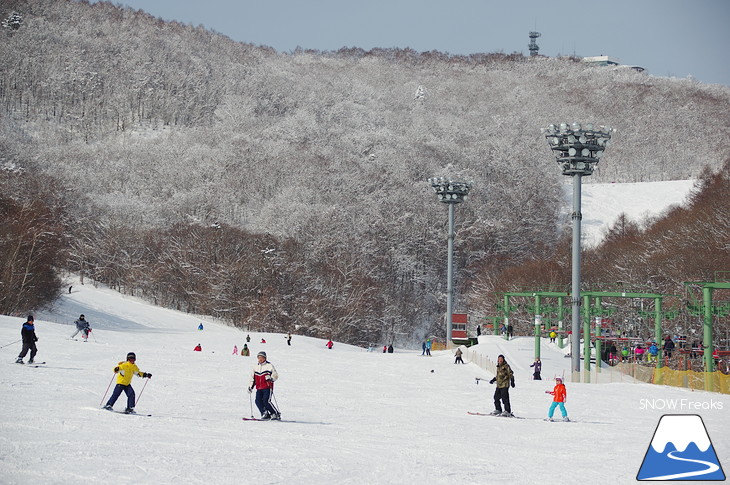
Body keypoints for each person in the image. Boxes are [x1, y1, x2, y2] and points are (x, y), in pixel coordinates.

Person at [248, 351, 280, 420]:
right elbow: (252, 378)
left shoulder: (269, 366)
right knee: (258, 401)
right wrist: (250, 387)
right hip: (259, 387)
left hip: (267, 387)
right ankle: (264, 413)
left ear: (265, 358)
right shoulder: (255, 367)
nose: (260, 359)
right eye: (259, 358)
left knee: (266, 401)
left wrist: (271, 378)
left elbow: (275, 375)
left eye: (262, 358)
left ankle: (275, 413)